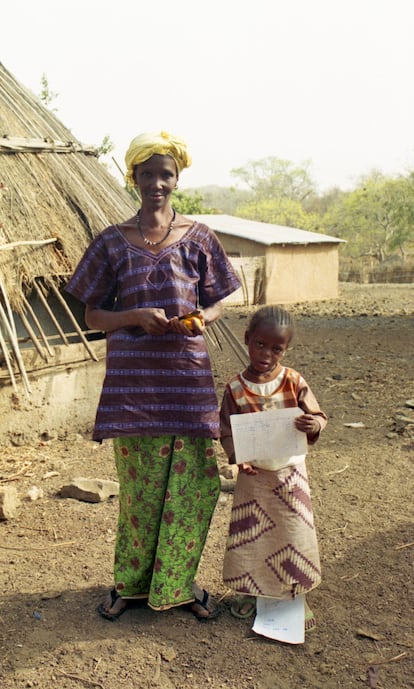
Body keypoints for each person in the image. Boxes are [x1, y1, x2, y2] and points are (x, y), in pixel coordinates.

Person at [65, 130, 241, 621]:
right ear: (133, 178)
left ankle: (177, 585)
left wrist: (203, 316)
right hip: (134, 389)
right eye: (147, 174)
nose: (157, 183)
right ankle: (130, 586)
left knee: (192, 486)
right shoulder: (111, 242)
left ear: (177, 177)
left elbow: (222, 297)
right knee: (140, 491)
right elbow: (93, 315)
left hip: (186, 383)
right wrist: (135, 316)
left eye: (166, 174)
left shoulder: (200, 237)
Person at [219, 305, 327, 633]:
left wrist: (314, 423)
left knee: (292, 535)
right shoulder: (235, 388)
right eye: (260, 344)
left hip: (289, 474)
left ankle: (293, 595)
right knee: (252, 537)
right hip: (255, 477)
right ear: (247, 339)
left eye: (276, 348)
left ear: (286, 349)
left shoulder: (294, 381)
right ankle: (251, 594)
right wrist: (239, 457)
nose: (266, 353)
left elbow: (319, 417)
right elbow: (226, 430)